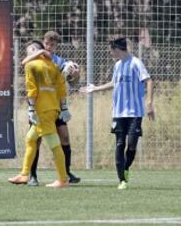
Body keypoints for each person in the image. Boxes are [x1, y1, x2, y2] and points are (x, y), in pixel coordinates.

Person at [79, 37, 155, 190]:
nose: (110, 53)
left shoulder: (135, 63)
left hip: (135, 112)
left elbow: (149, 81)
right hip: (119, 112)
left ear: (116, 49)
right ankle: (122, 180)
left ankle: (126, 168)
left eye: (111, 50)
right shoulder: (117, 65)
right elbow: (114, 83)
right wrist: (95, 88)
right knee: (120, 144)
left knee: (131, 146)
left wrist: (149, 103)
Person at [21, 31, 81, 186]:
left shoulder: (60, 61)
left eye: (53, 44)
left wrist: (75, 74)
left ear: (57, 46)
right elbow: (25, 64)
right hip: (39, 107)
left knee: (64, 138)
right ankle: (32, 175)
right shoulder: (37, 59)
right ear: (43, 43)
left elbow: (71, 82)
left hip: (56, 107)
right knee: (36, 140)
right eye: (47, 44)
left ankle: (65, 173)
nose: (50, 47)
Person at [8, 40, 69, 188]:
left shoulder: (31, 65)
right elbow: (61, 88)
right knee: (30, 139)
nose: (28, 54)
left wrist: (31, 109)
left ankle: (62, 179)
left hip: (42, 110)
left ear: (35, 50)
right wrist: (64, 108)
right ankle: (24, 174)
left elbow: (32, 89)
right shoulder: (53, 66)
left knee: (54, 144)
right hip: (53, 109)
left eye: (29, 50)